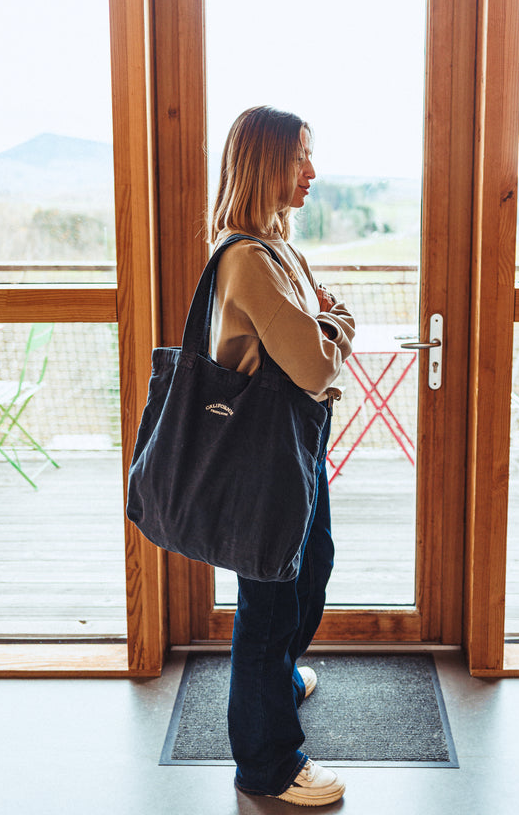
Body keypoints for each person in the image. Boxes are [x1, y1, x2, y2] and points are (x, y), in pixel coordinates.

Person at [210, 105, 355, 806]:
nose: (311, 171)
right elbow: (316, 366)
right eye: (300, 156)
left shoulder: (278, 251)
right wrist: (337, 323)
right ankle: (266, 764)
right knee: (268, 603)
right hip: (266, 456)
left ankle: (277, 677)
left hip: (293, 447)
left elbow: (315, 337)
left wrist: (325, 326)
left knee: (310, 568)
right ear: (267, 163)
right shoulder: (247, 259)